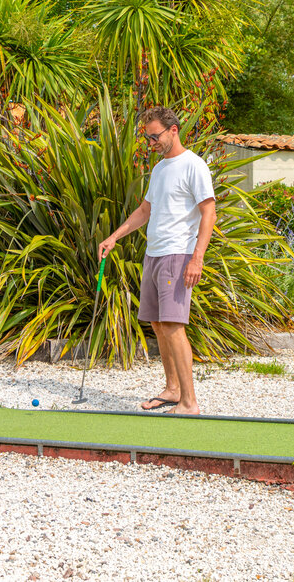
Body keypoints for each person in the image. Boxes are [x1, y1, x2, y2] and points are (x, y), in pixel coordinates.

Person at [98, 107, 216, 415]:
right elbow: (144, 211)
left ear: (173, 130)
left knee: (174, 326)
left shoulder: (194, 165)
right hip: (154, 254)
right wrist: (114, 237)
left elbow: (209, 212)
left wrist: (196, 259)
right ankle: (172, 389)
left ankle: (189, 403)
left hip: (178, 254)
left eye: (155, 136)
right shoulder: (161, 169)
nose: (151, 143)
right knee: (157, 323)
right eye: (147, 138)